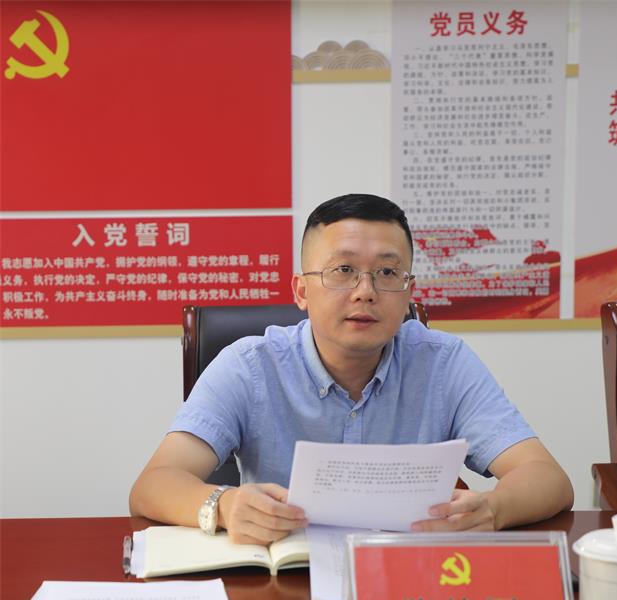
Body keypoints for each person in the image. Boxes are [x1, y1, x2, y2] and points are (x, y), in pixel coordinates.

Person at [129, 194, 574, 544]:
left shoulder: (444, 362)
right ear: (301, 291)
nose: (366, 291)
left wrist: (494, 509)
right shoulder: (250, 365)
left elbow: (547, 478)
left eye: (388, 273)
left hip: (408, 576)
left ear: (409, 292)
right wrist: (224, 506)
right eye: (343, 270)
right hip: (283, 580)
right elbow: (154, 484)